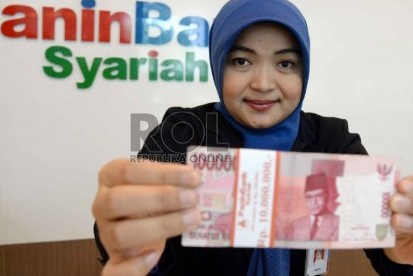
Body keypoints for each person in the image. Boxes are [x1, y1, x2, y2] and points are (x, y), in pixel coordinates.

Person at [92, 0, 413, 275]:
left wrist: (400, 254)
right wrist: (128, 238)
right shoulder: (182, 132)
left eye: (285, 63)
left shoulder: (333, 140)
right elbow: (139, 245)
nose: (262, 83)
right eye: (241, 61)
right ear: (219, 64)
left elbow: (385, 249)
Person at [287, 174, 339, 241]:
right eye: (309, 197)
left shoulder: (338, 223)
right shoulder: (296, 225)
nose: (314, 202)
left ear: (326, 196)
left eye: (319, 196)